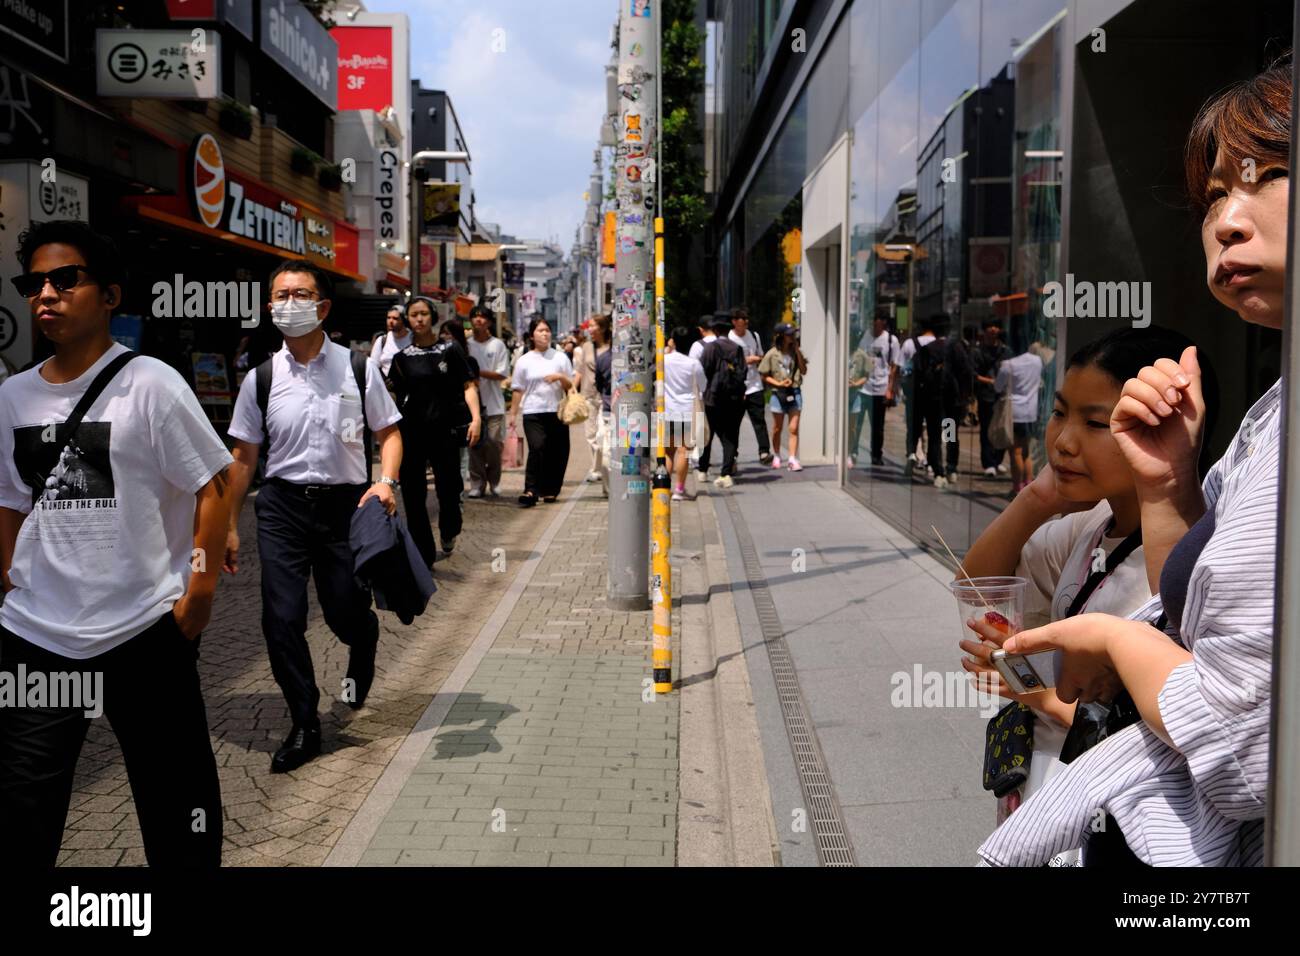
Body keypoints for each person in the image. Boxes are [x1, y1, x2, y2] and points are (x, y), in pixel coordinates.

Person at [977, 57, 1287, 867]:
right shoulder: (1262, 427)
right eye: (1214, 194)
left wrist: (1117, 644)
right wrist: (1167, 487)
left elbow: (1235, 747)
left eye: (1269, 175)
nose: (1225, 219)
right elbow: (1197, 636)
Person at [0, 220, 232, 866]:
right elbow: (9, 505)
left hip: (143, 635)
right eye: (33, 283)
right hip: (38, 640)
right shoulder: (11, 399)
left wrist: (200, 595)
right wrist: (12, 587)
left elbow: (214, 486)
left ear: (109, 295)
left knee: (180, 810)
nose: (45, 294)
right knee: (22, 815)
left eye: (64, 278)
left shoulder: (150, 384)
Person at [957, 327, 1212, 863]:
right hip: (1047, 791)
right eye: (1059, 413)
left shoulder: (1195, 556)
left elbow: (1184, 734)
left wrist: (1036, 697)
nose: (1064, 441)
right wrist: (1037, 499)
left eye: (1095, 422)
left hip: (1117, 824)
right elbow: (978, 586)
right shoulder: (1092, 525)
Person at [224, 259, 403, 775]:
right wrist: (229, 525)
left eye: (300, 295)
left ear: (322, 307)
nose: (289, 304)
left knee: (344, 610)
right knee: (280, 618)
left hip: (346, 506)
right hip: (280, 506)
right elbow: (243, 457)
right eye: (280, 295)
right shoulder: (260, 378)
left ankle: (363, 638)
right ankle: (304, 720)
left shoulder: (358, 367)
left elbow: (389, 432)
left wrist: (386, 482)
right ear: (269, 307)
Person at [388, 302, 481, 566]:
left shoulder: (450, 350)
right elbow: (392, 395)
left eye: (424, 314)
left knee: (449, 490)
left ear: (434, 317)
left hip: (445, 432)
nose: (419, 319)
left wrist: (476, 419)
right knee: (413, 495)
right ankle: (423, 554)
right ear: (408, 320)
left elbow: (468, 385)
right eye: (414, 315)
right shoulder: (402, 358)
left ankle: (450, 529)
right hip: (411, 434)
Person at [508, 316, 574, 506]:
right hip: (532, 411)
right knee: (537, 448)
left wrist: (559, 376)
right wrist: (513, 414)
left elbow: (570, 384)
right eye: (540, 331)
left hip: (556, 411)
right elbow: (518, 388)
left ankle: (551, 490)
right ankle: (530, 490)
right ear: (531, 335)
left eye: (547, 330)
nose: (545, 334)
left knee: (558, 451)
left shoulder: (560, 357)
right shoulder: (524, 360)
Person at [914, 315, 974, 488]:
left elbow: (918, 376)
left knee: (933, 436)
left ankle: (938, 472)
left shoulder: (927, 349)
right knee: (950, 434)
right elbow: (967, 372)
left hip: (933, 400)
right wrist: (965, 396)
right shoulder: (956, 347)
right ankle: (951, 468)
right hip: (952, 401)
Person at [466, 305, 510, 498]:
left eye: (483, 317)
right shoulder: (466, 345)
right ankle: (477, 483)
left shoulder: (497, 345)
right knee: (474, 446)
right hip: (470, 405)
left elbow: (502, 374)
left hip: (494, 405)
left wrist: (476, 372)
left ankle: (494, 481)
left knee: (493, 444)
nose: (478, 320)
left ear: (489, 322)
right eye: (475, 317)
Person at [699, 317, 748, 488]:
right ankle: (726, 473)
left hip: (712, 399)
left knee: (707, 435)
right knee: (729, 436)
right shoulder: (738, 349)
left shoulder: (711, 347)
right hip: (732, 399)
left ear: (716, 330)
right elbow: (743, 373)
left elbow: (702, 370)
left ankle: (703, 470)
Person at [663, 326, 708, 500]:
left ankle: (663, 488)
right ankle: (679, 489)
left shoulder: (664, 360)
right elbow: (703, 385)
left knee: (668, 452)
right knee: (683, 451)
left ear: (673, 341)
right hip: (687, 410)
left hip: (666, 409)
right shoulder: (693, 363)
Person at [996, 347, 1046, 494]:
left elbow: (998, 387)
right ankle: (1028, 482)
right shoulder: (1037, 361)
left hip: (1015, 412)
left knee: (1016, 452)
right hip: (1032, 411)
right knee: (1027, 452)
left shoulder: (1008, 364)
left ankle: (1017, 486)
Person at [758, 324, 808, 471]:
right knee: (777, 428)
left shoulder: (796, 352)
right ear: (781, 336)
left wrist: (798, 351)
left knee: (793, 428)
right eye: (789, 334)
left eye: (793, 334)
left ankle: (792, 458)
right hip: (778, 393)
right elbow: (764, 375)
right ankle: (777, 454)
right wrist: (779, 383)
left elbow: (804, 371)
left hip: (795, 392)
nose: (792, 337)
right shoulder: (772, 354)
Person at [728, 307, 773, 464]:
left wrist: (757, 358)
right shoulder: (729, 338)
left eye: (747, 318)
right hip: (736, 388)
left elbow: (761, 355)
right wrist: (745, 360)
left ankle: (764, 452)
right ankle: (732, 454)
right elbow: (727, 363)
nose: (746, 321)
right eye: (742, 318)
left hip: (754, 385)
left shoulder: (754, 335)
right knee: (734, 423)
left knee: (759, 420)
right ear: (734, 321)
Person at [573, 314, 612, 483]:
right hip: (588, 394)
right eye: (589, 326)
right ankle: (596, 467)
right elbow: (580, 370)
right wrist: (573, 389)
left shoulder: (613, 347)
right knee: (591, 434)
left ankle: (603, 466)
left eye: (593, 326)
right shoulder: (587, 346)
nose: (589, 329)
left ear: (603, 328)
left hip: (607, 397)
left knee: (603, 435)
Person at [858, 315, 900, 466]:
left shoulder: (891, 341)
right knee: (858, 423)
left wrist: (890, 389)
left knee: (878, 426)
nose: (874, 328)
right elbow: (859, 358)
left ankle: (876, 455)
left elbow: (894, 366)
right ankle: (854, 452)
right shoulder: (865, 336)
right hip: (864, 387)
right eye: (872, 325)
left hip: (881, 388)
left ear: (883, 324)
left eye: (877, 325)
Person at [974, 320, 1012, 476]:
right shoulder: (978, 351)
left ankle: (998, 460)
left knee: (1002, 427)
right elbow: (974, 374)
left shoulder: (1006, 351)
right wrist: (990, 381)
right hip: (986, 395)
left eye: (996, 326)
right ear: (984, 331)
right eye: (990, 326)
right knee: (986, 429)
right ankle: (988, 463)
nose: (993, 329)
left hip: (1003, 395)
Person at [898, 316, 936, 469]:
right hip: (934, 394)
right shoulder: (942, 343)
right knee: (934, 428)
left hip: (914, 392)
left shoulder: (909, 343)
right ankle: (932, 460)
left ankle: (912, 453)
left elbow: (901, 368)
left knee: (913, 425)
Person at [689, 314, 718, 481]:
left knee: (702, 428)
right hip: (722, 393)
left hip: (702, 394)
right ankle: (731, 461)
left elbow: (694, 370)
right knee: (723, 430)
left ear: (701, 330)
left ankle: (701, 464)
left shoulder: (697, 346)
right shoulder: (724, 342)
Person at [594, 333, 613, 498]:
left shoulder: (603, 359)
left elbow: (599, 385)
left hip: (608, 410)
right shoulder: (644, 357)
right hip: (636, 413)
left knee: (607, 451)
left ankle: (608, 489)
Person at [370, 303, 411, 379]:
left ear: (404, 320)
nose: (390, 321)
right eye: (388, 318)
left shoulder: (414, 339)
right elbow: (373, 367)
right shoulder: (382, 341)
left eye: (395, 318)